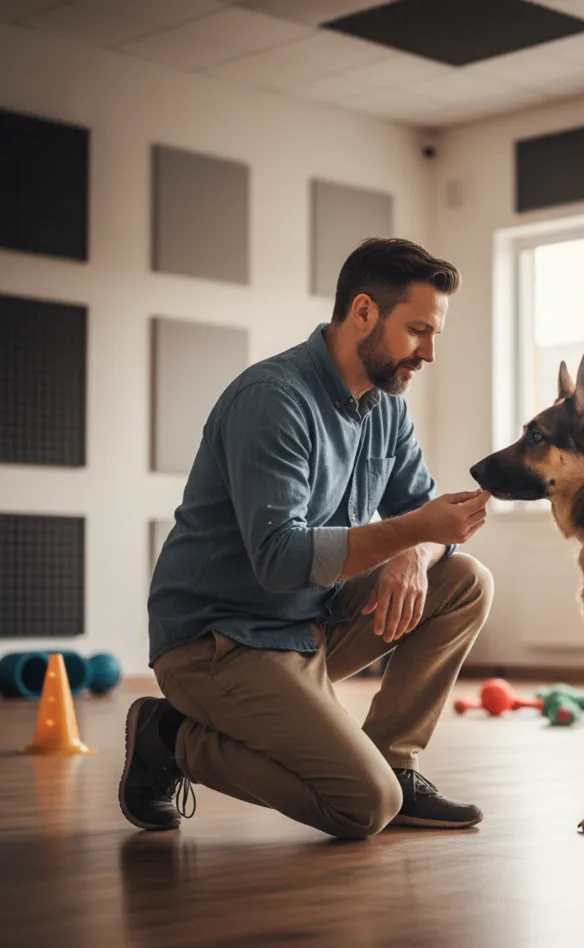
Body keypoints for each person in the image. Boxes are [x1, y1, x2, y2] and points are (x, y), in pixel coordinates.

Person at [119, 237, 493, 840]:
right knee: (363, 807)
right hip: (218, 643)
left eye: (434, 335)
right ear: (364, 311)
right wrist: (416, 530)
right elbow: (279, 559)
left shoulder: (386, 409)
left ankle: (397, 763)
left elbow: (427, 524)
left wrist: (415, 550)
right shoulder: (273, 399)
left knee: (465, 581)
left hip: (309, 624)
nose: (427, 353)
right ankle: (170, 737)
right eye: (417, 331)